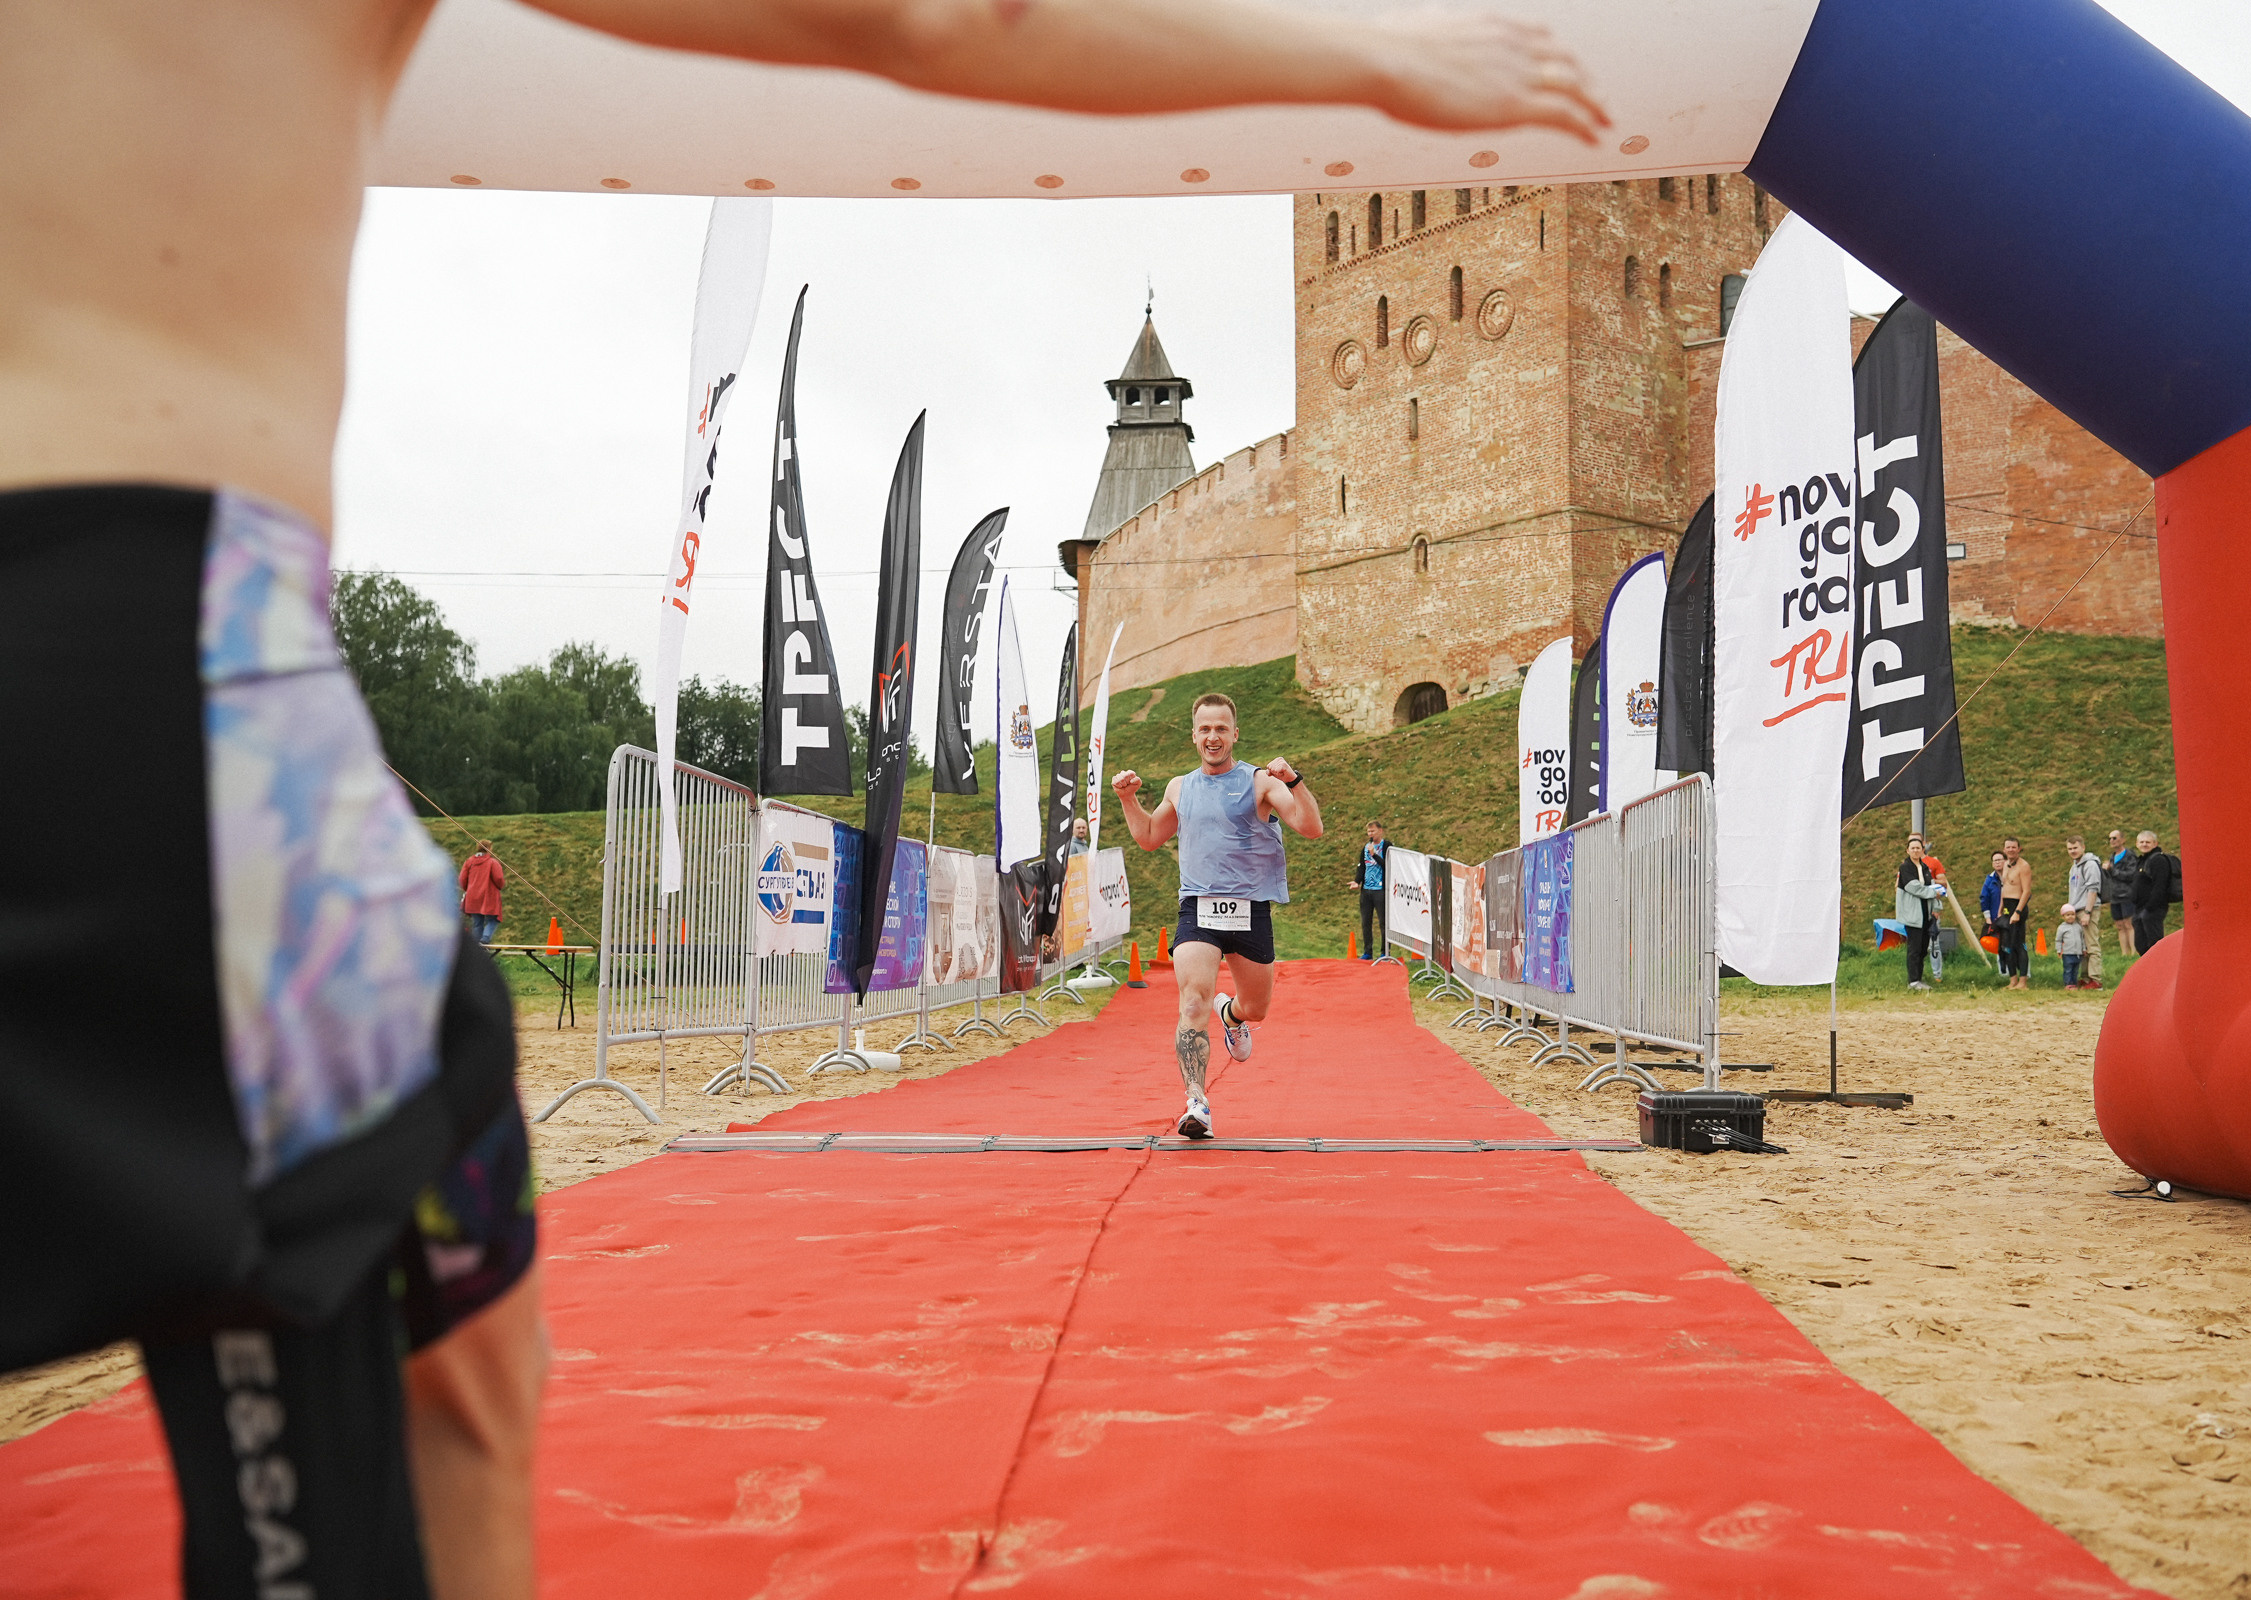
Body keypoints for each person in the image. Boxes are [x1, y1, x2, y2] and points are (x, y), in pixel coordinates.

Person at [1, 5, 1603, 1596]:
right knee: (439, 1367)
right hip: (172, 658)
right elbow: (930, 16)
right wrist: (1373, 65)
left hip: (135, 650)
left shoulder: (1245, 767)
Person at [1113, 692, 1324, 1139]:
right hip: (1198, 908)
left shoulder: (1260, 782)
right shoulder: (1179, 787)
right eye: (1205, 729)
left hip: (1250, 909)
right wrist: (1128, 799)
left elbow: (1310, 827)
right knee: (1193, 1001)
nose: (1213, 737)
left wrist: (1295, 781)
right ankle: (1197, 1102)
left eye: (1221, 729)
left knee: (1257, 1008)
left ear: (1235, 734)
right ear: (1194, 735)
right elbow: (1149, 836)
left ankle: (1231, 1016)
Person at [1895, 834, 1945, 991]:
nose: (1915, 851)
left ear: (1923, 850)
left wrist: (1936, 907)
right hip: (1912, 914)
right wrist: (1933, 893)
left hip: (1926, 914)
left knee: (1923, 948)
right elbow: (1914, 888)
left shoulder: (1925, 868)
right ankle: (1913, 981)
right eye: (1913, 848)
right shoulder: (1905, 868)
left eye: (1918, 848)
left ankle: (1919, 978)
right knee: (1914, 948)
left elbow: (1932, 885)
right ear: (1907, 850)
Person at [2065, 834, 2106, 987]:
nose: (2073, 851)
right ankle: (2085, 977)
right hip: (2076, 910)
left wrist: (2088, 912)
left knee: (2091, 945)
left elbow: (2093, 889)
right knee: (2082, 947)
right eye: (2070, 849)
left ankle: (2095, 979)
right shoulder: (2074, 867)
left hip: (2087, 909)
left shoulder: (2090, 864)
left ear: (2083, 847)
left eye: (2075, 848)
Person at [1997, 836, 2034, 989]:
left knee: (2019, 944)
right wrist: (2000, 909)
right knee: (2007, 945)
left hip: (2018, 906)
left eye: (2014, 847)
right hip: (2006, 907)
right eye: (2008, 847)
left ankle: (2023, 981)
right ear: (2004, 849)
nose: (2011, 850)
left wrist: (2017, 911)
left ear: (2019, 849)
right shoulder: (2006, 865)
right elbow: (2004, 888)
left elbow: (2026, 891)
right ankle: (2012, 980)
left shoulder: (2023, 866)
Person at [2131, 828, 2174, 953]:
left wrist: (2149, 908)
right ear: (2137, 844)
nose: (2144, 844)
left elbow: (2160, 886)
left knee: (2155, 945)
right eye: (2141, 842)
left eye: (2148, 842)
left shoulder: (2158, 860)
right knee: (2141, 945)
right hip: (2139, 908)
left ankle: (2161, 964)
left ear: (2155, 844)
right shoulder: (2142, 860)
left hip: (2153, 909)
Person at [1350, 819, 1389, 958]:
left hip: (1381, 890)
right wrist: (1357, 881)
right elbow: (1362, 866)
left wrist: (1375, 855)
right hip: (1366, 890)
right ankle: (1367, 952)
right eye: (1368, 831)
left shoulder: (1387, 847)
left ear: (1380, 831)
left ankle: (1385, 952)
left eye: (1373, 831)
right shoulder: (1366, 847)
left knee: (1383, 922)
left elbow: (1388, 865)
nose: (1370, 834)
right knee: (1366, 922)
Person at [460, 840, 506, 944]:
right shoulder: (492, 862)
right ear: (489, 849)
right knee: (493, 919)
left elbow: (462, 879)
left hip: (472, 897)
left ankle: (477, 945)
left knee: (477, 922)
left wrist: (468, 889)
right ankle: (485, 938)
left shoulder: (469, 862)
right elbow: (499, 878)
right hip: (489, 896)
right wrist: (500, 886)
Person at [1919, 835, 1950, 981]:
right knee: (1916, 944)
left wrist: (1929, 881)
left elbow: (1943, 883)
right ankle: (1917, 976)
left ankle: (1937, 975)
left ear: (1923, 844)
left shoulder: (1933, 862)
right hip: (1915, 908)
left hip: (1931, 906)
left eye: (1918, 843)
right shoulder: (1906, 865)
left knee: (1933, 943)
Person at [2104, 828, 2139, 956]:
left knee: (2128, 924)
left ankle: (2134, 952)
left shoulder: (2129, 855)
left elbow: (2131, 875)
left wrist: (2112, 870)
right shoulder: (2112, 857)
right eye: (2110, 839)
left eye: (2115, 838)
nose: (2112, 841)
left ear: (2123, 840)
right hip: (2114, 896)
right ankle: (2124, 953)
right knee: (2119, 925)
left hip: (2127, 894)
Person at [1980, 850, 2007, 949]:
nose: (1997, 862)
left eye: (1999, 860)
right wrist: (1988, 919)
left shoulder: (2013, 876)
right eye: (1995, 861)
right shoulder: (1989, 880)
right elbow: (1984, 898)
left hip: (2012, 917)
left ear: (2005, 861)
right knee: (1998, 946)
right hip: (1996, 918)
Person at [2057, 902, 2088, 988]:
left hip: (2078, 953)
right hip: (2067, 953)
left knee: (2075, 970)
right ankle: (2068, 984)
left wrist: (2084, 949)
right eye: (2068, 915)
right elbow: (2058, 940)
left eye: (2072, 914)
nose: (2070, 916)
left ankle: (2074, 983)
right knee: (2068, 969)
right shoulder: (2061, 928)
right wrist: (2059, 950)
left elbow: (2082, 939)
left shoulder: (2078, 927)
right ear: (2063, 917)